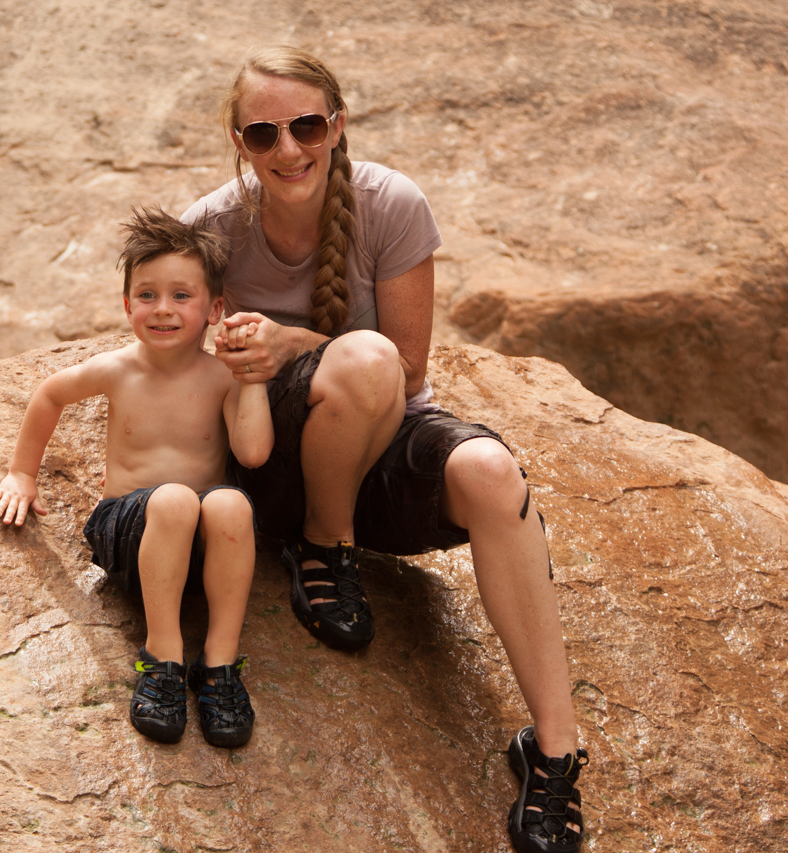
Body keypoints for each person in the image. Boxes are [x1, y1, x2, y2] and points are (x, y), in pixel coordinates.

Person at [181, 46, 588, 853]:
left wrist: (293, 338)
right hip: (276, 470)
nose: (288, 149)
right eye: (264, 134)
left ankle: (555, 749)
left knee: (490, 469)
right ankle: (323, 548)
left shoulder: (389, 203)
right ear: (239, 142)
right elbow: (175, 365)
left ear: (336, 124)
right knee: (359, 360)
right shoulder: (210, 228)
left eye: (305, 125)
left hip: (380, 442)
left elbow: (406, 370)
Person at [0, 208, 274, 748]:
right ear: (127, 305)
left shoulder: (221, 378)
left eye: (181, 296)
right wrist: (22, 474)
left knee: (232, 504)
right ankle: (162, 657)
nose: (163, 309)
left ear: (215, 309)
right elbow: (50, 394)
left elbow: (253, 453)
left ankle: (219, 663)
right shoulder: (118, 369)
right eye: (147, 295)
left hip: (199, 552)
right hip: (131, 537)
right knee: (172, 499)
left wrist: (251, 376)